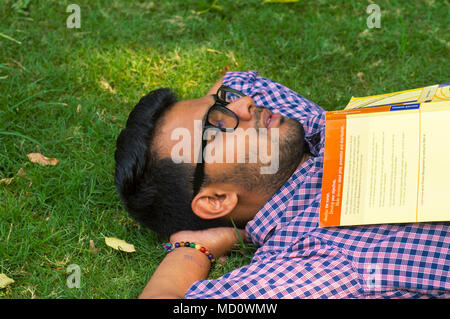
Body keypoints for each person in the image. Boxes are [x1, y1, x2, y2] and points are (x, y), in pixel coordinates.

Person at [114, 71, 449, 298]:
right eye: (217, 125)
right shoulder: (322, 258)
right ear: (217, 200)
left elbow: (238, 79)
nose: (244, 104)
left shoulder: (308, 130)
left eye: (225, 102)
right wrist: (193, 249)